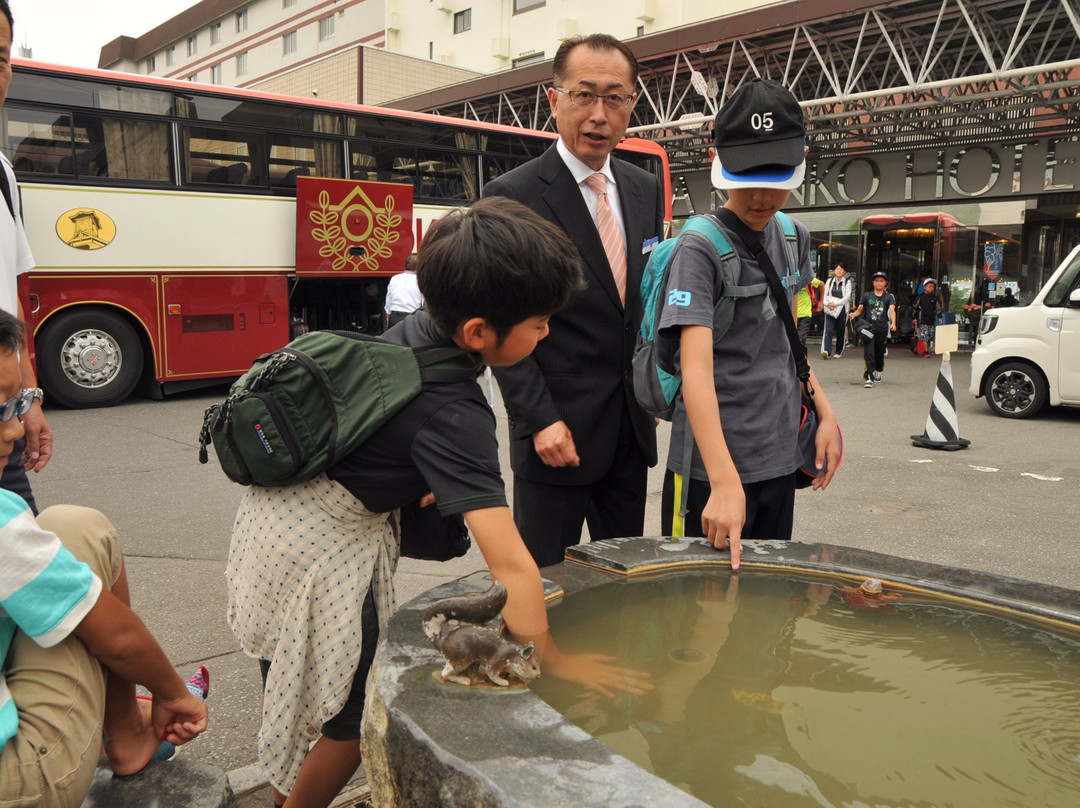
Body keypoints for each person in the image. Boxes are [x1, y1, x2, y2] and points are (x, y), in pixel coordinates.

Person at [225, 198, 650, 808]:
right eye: (538, 323)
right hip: (320, 564)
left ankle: (281, 791)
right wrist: (551, 658)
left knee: (291, 694)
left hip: (270, 531)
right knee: (350, 718)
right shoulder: (454, 408)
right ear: (479, 333)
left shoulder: (413, 335)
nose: (547, 332)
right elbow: (512, 565)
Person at [0, 310, 208, 808]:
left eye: (16, 403)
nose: (13, 431)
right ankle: (128, 731)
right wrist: (174, 695)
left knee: (61, 529)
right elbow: (116, 635)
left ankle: (123, 724)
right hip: (19, 780)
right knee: (84, 533)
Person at [481, 33, 665, 568]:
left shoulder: (642, 187)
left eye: (615, 97)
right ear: (554, 99)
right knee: (544, 589)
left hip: (630, 432)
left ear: (632, 103)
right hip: (554, 436)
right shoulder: (511, 196)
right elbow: (497, 323)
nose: (599, 114)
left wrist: (651, 391)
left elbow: (639, 303)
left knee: (621, 586)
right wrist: (538, 419)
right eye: (584, 95)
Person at [654, 78, 840, 570]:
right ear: (721, 162)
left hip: (777, 457)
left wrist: (825, 411)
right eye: (746, 178)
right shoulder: (699, 247)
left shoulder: (795, 236)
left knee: (766, 611)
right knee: (692, 616)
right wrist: (722, 480)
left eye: (775, 180)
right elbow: (695, 371)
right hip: (707, 470)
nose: (761, 197)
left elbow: (787, 343)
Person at [0, 1, 52, 514]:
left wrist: (28, 399)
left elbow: (12, 299)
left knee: (28, 578)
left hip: (2, 421)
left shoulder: (3, 174)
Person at [849, 271, 897, 388]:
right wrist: (854, 315)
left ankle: (878, 369)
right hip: (868, 328)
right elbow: (860, 309)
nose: (879, 283)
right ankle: (869, 377)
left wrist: (893, 323)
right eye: (876, 281)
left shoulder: (888, 297)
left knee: (879, 353)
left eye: (881, 281)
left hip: (882, 329)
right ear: (873, 283)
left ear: (886, 283)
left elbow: (892, 310)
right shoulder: (867, 295)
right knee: (869, 352)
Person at [821, 260, 854, 358]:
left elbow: (847, 297)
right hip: (830, 309)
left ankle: (838, 351)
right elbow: (824, 294)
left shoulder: (847, 282)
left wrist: (835, 304)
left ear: (844, 272)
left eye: (841, 269)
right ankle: (826, 351)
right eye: (837, 269)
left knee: (841, 331)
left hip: (842, 309)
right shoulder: (829, 281)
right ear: (834, 271)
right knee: (828, 330)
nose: (839, 271)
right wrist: (827, 303)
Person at [383, 253, 424, 328]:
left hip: (395, 317)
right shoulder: (420, 281)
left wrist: (388, 317)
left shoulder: (395, 278)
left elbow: (388, 302)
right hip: (412, 317)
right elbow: (423, 304)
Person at [911, 277, 941, 356]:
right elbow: (915, 308)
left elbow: (938, 308)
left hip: (931, 320)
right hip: (922, 320)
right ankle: (925, 351)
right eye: (929, 286)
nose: (931, 288)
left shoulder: (934, 298)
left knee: (930, 334)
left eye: (933, 287)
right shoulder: (921, 297)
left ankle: (921, 348)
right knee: (925, 335)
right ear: (925, 287)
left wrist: (940, 316)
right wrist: (914, 318)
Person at [795, 273, 823, 349]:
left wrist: (821, 301)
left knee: (801, 341)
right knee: (791, 340)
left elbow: (822, 284)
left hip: (805, 315)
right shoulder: (790, 279)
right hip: (792, 314)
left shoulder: (807, 278)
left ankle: (803, 359)